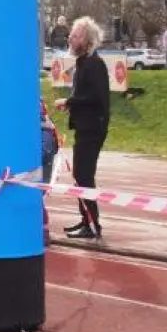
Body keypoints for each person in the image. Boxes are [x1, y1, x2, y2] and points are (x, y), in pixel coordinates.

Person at [53, 16, 109, 240]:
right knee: (80, 175)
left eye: (74, 36)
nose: (70, 39)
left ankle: (93, 224)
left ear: (85, 40)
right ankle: (86, 220)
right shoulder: (84, 63)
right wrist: (73, 105)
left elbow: (96, 97)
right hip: (86, 125)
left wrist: (69, 102)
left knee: (84, 175)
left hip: (93, 127)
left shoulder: (94, 64)